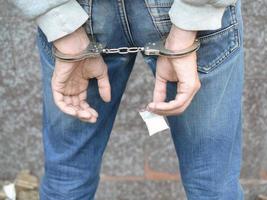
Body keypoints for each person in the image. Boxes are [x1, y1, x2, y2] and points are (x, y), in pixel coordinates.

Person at [11, 0, 244, 199]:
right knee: (212, 177)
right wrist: (192, 20)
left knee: (67, 173)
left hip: (77, 8)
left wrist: (60, 21)